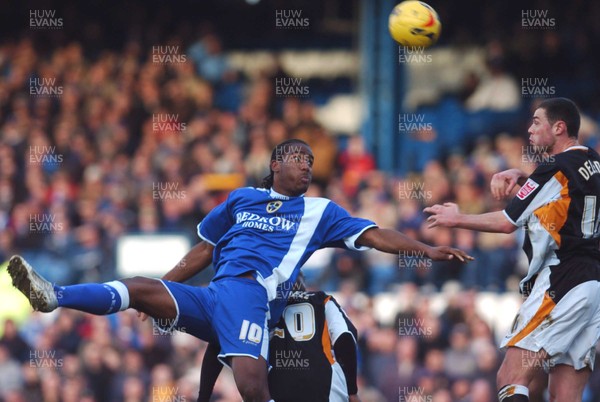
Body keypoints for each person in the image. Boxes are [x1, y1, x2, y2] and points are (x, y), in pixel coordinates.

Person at [8, 138, 471, 402]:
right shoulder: (240, 199)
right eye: (298, 159)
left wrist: (423, 250)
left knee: (251, 385)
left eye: (311, 161)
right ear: (275, 164)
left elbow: (374, 234)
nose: (307, 166)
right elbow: (203, 250)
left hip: (253, 294)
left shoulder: (319, 211)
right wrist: (169, 286)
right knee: (140, 286)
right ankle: (56, 296)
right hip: (215, 293)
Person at [424, 98, 600, 402]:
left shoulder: (554, 167)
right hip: (593, 286)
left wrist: (457, 218)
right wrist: (525, 179)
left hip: (562, 280)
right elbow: (565, 203)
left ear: (559, 128)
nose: (529, 129)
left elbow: (507, 222)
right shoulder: (592, 162)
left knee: (510, 376)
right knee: (564, 395)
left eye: (536, 122)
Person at [197, 273, 361, 402]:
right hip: (325, 389)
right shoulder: (322, 300)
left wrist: (203, 398)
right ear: (301, 283)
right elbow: (345, 337)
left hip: (271, 391)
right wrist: (352, 391)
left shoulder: (249, 308)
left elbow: (216, 347)